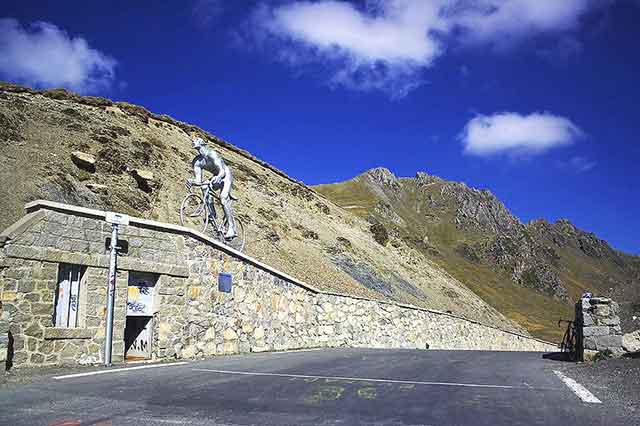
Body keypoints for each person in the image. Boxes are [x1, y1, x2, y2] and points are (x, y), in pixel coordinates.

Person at [188, 136, 237, 239]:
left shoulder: (212, 154)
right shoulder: (197, 162)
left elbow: (222, 170)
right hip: (216, 177)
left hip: (225, 176)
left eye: (196, 140)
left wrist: (218, 177)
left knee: (223, 198)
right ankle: (212, 213)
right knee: (204, 187)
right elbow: (198, 181)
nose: (193, 141)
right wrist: (192, 182)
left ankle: (232, 228)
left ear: (202, 142)